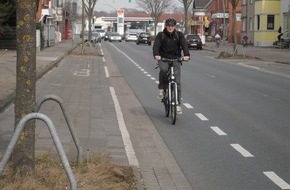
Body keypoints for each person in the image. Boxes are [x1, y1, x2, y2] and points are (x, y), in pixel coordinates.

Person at [153, 18, 190, 114]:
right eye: (169, 25)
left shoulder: (179, 35)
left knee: (177, 82)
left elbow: (184, 45)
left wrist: (186, 55)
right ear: (166, 26)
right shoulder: (161, 35)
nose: (170, 27)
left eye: (172, 26)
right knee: (164, 70)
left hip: (176, 59)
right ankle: (161, 88)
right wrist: (156, 54)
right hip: (163, 58)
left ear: (175, 27)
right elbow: (156, 46)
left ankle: (178, 105)